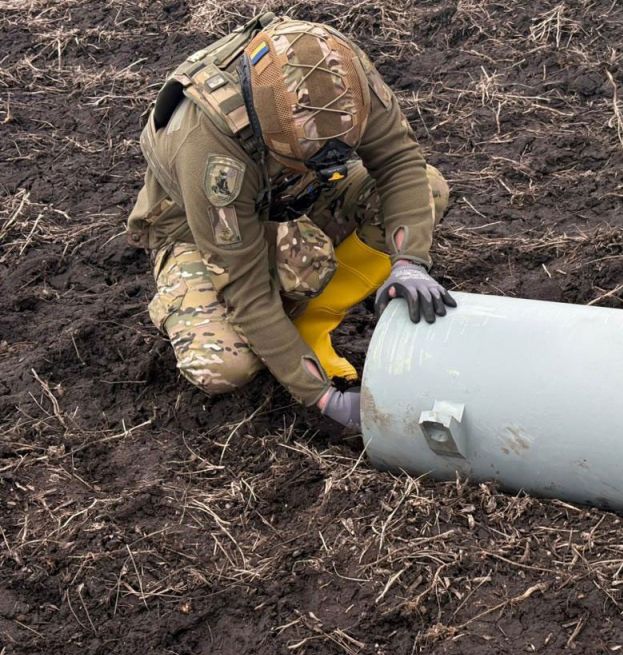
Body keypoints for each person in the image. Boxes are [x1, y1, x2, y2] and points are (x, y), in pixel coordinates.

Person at [125, 14, 456, 428]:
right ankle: (273, 332)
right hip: (199, 229)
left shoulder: (338, 73)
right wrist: (320, 396)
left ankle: (312, 324)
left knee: (427, 191)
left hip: (291, 195)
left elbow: (399, 161)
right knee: (221, 366)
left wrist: (409, 262)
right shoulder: (212, 147)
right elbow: (244, 288)